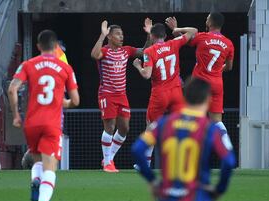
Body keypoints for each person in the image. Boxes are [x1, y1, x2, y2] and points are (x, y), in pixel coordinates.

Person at [132, 79, 236, 201]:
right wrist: (219, 190)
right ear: (208, 99)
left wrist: (152, 181)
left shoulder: (163, 123)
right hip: (196, 200)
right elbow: (229, 161)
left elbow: (138, 149)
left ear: (184, 98)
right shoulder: (210, 128)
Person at [8, 30, 80, 201]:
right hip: (51, 123)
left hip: (31, 123)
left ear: (38, 46)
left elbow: (12, 88)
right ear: (56, 47)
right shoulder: (65, 68)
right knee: (51, 167)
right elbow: (75, 100)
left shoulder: (28, 65)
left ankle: (34, 182)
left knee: (37, 160)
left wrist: (15, 115)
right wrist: (60, 101)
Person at [132, 22, 197, 169]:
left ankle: (145, 164)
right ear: (165, 36)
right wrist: (177, 29)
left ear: (152, 36)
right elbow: (193, 30)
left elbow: (146, 75)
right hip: (176, 91)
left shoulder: (149, 52)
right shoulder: (173, 43)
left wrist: (137, 66)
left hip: (160, 93)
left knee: (151, 126)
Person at [91, 19, 152, 173]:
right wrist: (101, 35)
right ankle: (107, 163)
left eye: (122, 34)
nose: (121, 37)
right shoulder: (105, 51)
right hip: (107, 94)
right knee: (110, 127)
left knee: (124, 128)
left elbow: (145, 51)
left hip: (122, 95)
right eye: (118, 34)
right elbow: (94, 54)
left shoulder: (126, 50)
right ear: (110, 36)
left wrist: (149, 35)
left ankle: (108, 158)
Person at [166, 12, 234, 137]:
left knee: (191, 116)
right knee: (217, 121)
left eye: (207, 18)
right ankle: (226, 146)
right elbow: (229, 67)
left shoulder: (203, 37)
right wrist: (218, 70)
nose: (206, 20)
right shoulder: (228, 43)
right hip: (217, 84)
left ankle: (187, 146)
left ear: (210, 23)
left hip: (200, 84)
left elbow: (183, 40)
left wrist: (175, 28)